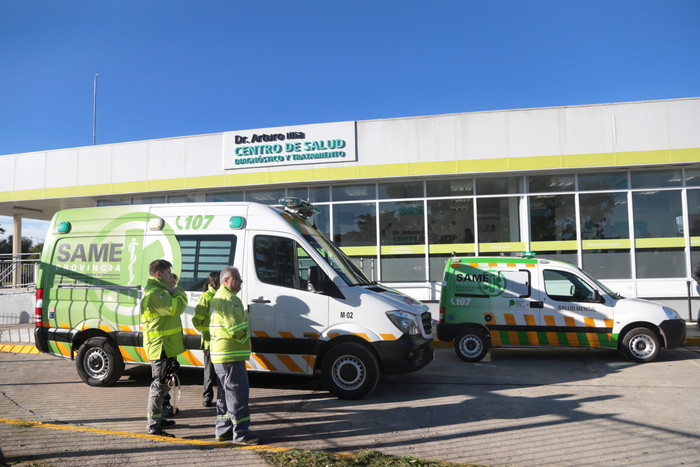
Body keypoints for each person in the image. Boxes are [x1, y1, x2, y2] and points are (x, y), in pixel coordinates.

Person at [210, 266, 260, 445]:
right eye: (237, 279)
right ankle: (241, 434)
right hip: (231, 355)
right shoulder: (229, 300)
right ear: (226, 281)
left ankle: (223, 431)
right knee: (238, 395)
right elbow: (236, 330)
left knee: (225, 396)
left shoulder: (219, 297)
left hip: (221, 356)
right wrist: (247, 337)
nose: (241, 282)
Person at [141, 259, 187, 437]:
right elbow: (177, 307)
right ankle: (153, 427)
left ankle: (158, 419)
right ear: (159, 274)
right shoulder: (155, 294)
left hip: (165, 346)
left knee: (164, 386)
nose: (171, 277)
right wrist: (179, 291)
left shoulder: (161, 291)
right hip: (160, 347)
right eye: (169, 273)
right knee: (158, 387)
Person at [192, 271, 220, 407]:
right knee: (209, 372)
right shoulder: (206, 297)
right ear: (214, 283)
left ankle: (221, 397)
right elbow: (197, 320)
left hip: (220, 341)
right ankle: (207, 398)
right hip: (210, 341)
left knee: (220, 372)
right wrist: (205, 331)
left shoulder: (221, 296)